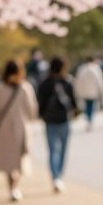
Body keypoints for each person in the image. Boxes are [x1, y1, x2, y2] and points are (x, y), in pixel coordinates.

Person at [0, 60, 39, 202]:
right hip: (21, 128)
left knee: (9, 160)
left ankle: (11, 187)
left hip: (5, 129)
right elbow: (32, 110)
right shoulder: (25, 88)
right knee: (19, 160)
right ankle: (15, 187)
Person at [37, 57, 78, 192]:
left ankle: (55, 177)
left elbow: (40, 102)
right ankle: (59, 175)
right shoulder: (67, 82)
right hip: (64, 120)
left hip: (49, 121)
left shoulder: (45, 83)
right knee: (62, 150)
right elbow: (73, 101)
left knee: (53, 150)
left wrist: (42, 115)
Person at [73, 56, 103, 130]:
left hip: (85, 91)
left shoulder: (82, 68)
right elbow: (100, 81)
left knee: (87, 105)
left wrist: (78, 90)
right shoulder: (96, 68)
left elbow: (78, 80)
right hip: (93, 91)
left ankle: (88, 119)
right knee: (91, 105)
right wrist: (101, 90)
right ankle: (89, 119)